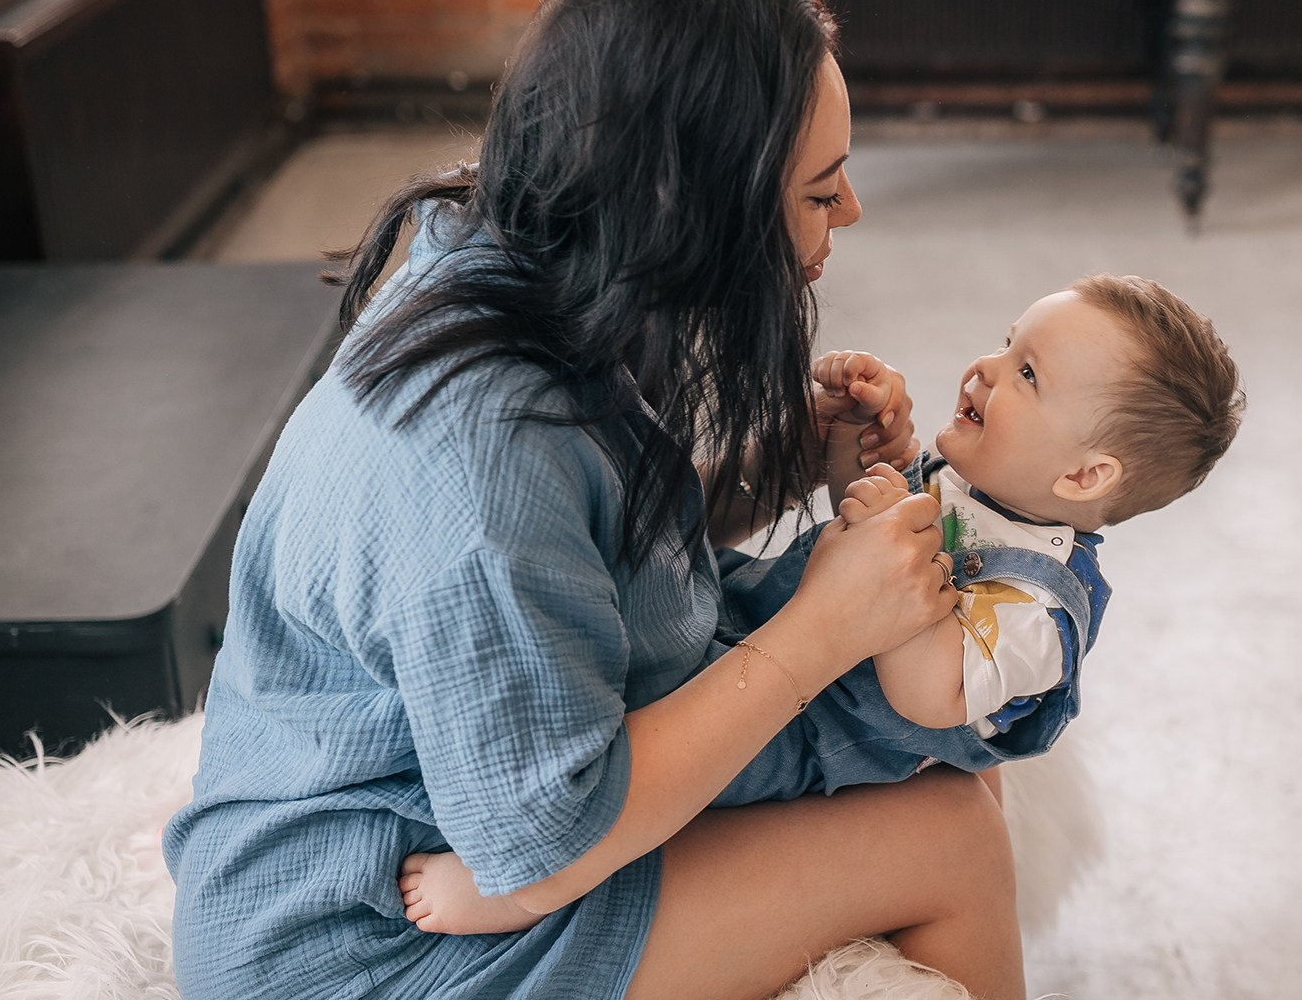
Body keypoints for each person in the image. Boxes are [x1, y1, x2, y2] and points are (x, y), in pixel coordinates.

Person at [162, 0, 1025, 1000]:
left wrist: (775, 464)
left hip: (446, 824)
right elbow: (545, 835)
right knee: (951, 834)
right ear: (692, 203)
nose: (851, 210)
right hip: (359, 940)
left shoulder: (532, 250)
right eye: (820, 190)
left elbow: (586, 546)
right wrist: (819, 629)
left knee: (938, 743)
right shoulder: (479, 458)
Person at [398, 277, 1243, 933]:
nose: (986, 368)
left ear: (1086, 476)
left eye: (1027, 373)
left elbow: (927, 690)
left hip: (807, 731)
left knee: (668, 775)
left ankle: (518, 889)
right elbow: (855, 535)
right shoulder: (982, 486)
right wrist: (858, 453)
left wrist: (880, 535)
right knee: (630, 631)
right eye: (1004, 341)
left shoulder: (1039, 611)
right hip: (763, 621)